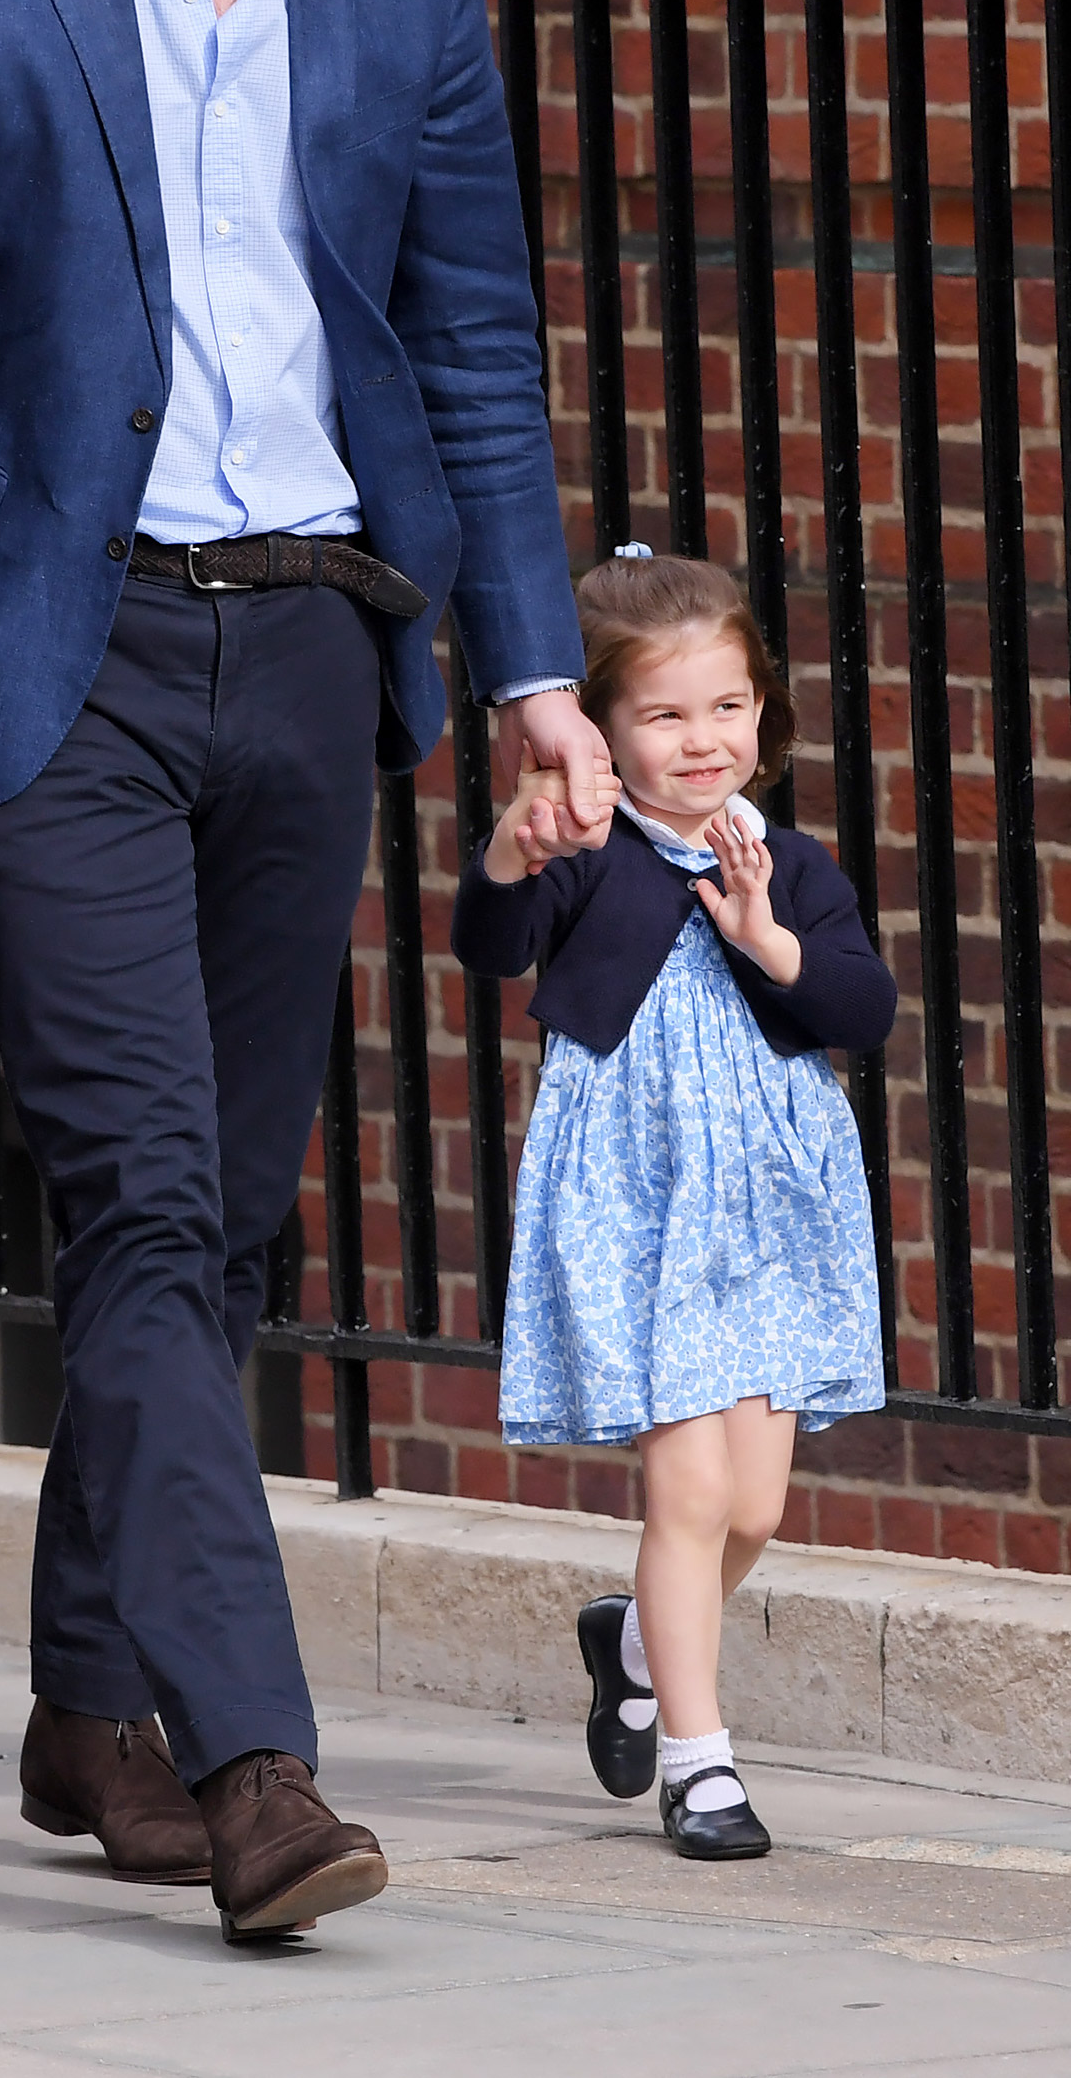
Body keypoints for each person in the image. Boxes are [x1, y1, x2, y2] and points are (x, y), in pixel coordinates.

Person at [0, 0, 602, 1944]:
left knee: (224, 1218)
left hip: (312, 648)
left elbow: (473, 341)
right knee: (145, 1192)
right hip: (69, 670)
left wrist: (535, 672)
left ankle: (79, 1695)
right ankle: (249, 1766)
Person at [454, 549, 894, 1860]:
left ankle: (635, 1643)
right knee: (688, 1496)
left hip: (770, 1205)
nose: (704, 740)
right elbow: (491, 945)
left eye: (729, 707)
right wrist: (506, 845)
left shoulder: (789, 862)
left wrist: (773, 944)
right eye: (663, 714)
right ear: (595, 729)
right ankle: (701, 1768)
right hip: (639, 1200)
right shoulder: (589, 855)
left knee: (752, 1509)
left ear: (764, 710)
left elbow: (862, 1009)